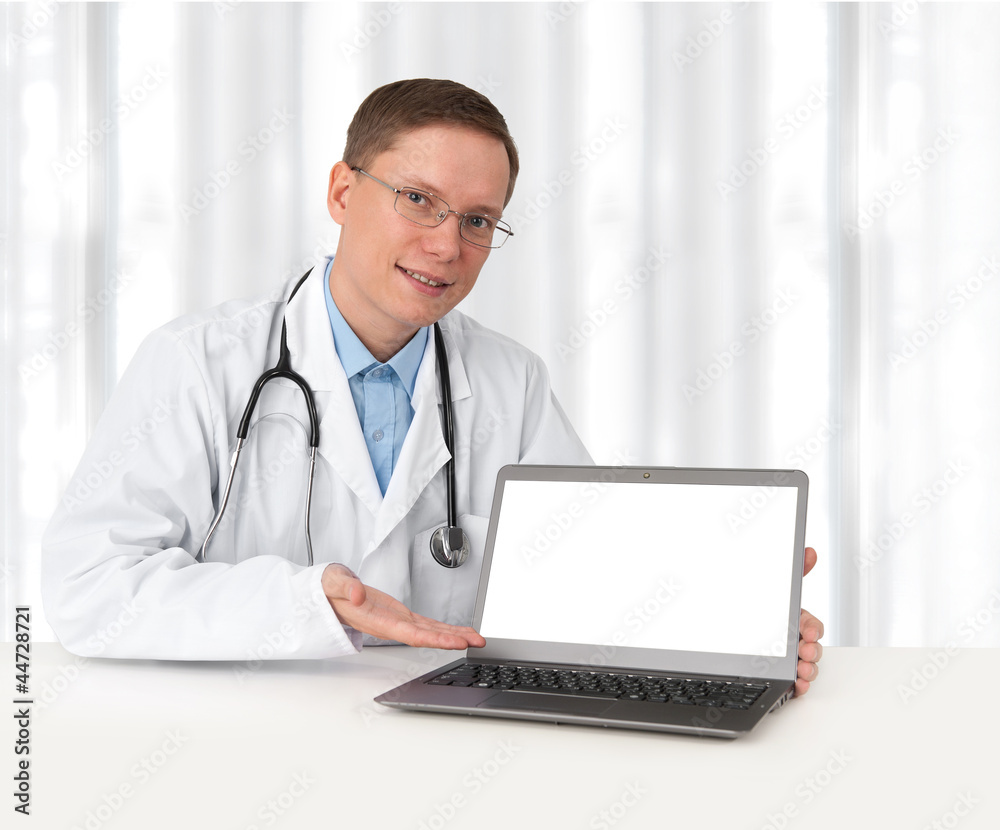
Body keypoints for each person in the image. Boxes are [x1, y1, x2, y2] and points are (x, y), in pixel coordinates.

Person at [41, 78, 823, 694]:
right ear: (343, 193)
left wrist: (731, 623)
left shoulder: (510, 382)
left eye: (478, 220)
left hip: (452, 748)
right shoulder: (198, 364)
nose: (447, 246)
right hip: (249, 747)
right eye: (418, 200)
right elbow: (88, 587)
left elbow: (588, 581)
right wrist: (305, 602)